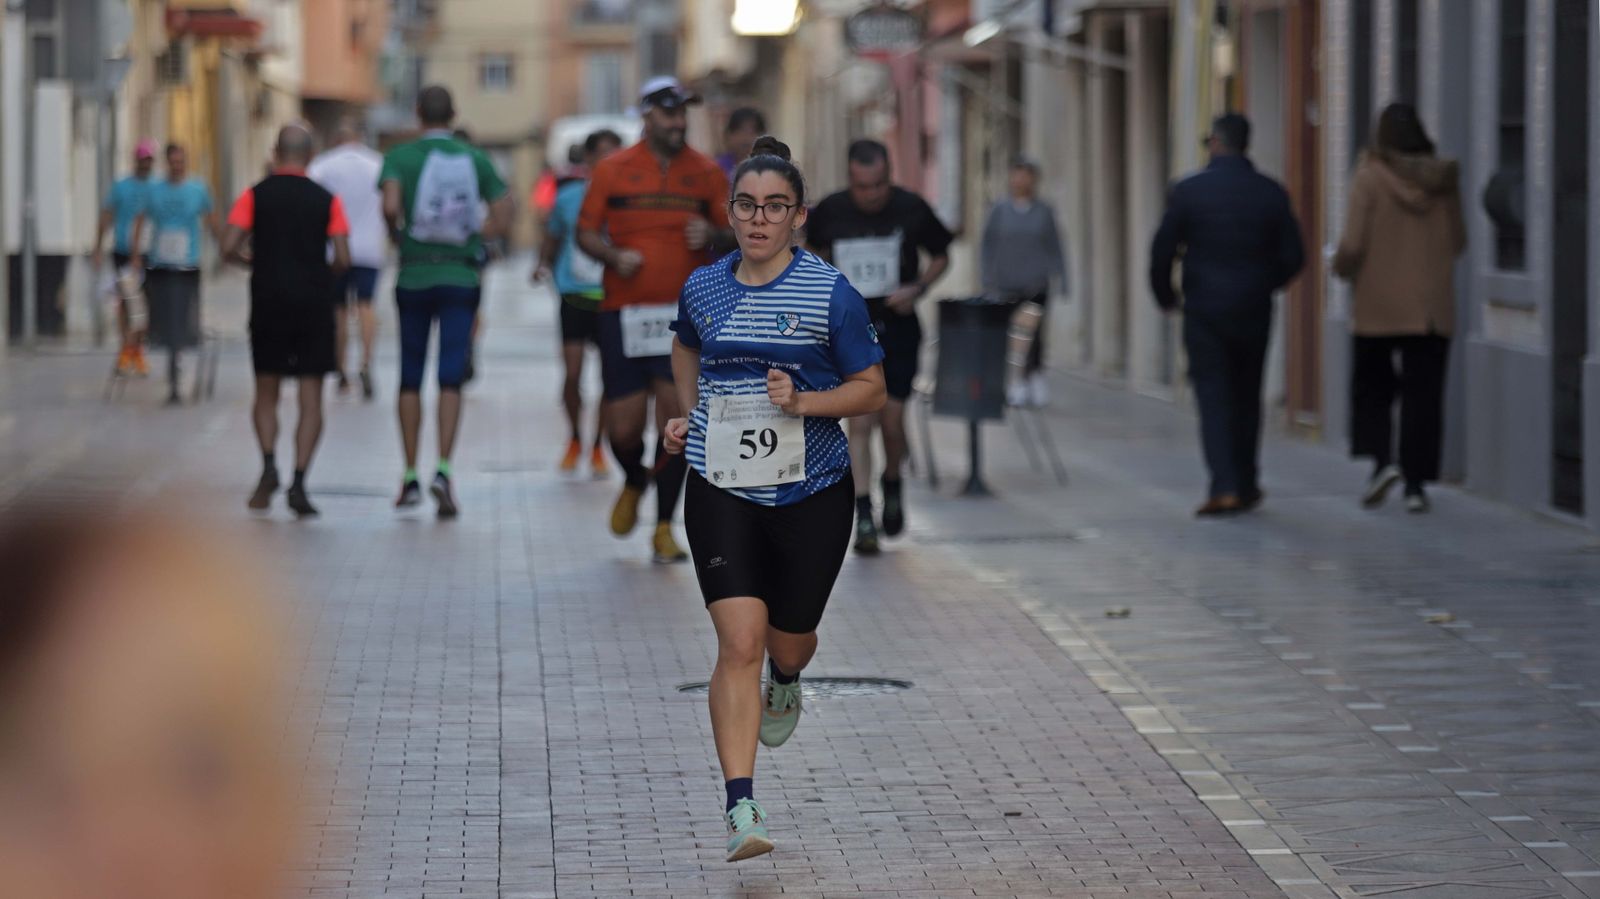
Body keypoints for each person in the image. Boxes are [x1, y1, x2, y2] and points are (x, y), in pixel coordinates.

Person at [662, 135, 886, 862]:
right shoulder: (704, 288)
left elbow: (872, 390)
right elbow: (685, 345)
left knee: (787, 642)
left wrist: (805, 401)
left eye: (775, 207)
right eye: (747, 206)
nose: (759, 220)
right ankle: (742, 805)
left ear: (798, 216)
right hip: (720, 485)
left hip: (812, 490)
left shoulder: (829, 293)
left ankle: (786, 679)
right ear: (730, 211)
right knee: (739, 643)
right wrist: (692, 414)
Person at [577, 76, 732, 563]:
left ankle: (664, 526)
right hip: (623, 313)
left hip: (682, 318)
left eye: (682, 112)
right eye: (668, 112)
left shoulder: (706, 172)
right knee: (622, 429)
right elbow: (585, 233)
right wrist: (612, 255)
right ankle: (633, 478)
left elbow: (737, 231)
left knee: (676, 424)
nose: (677, 122)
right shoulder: (613, 169)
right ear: (646, 115)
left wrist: (712, 233)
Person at [1149, 113, 1306, 517]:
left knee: (1214, 394)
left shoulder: (1188, 191)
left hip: (1205, 309)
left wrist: (1166, 296)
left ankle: (1225, 485)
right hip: (1253, 306)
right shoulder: (1270, 192)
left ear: (1216, 143)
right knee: (1247, 394)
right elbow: (1294, 255)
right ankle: (1246, 481)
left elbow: (1162, 250)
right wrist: (1266, 282)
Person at [804, 139, 952, 554]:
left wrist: (917, 288)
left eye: (879, 185)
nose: (871, 195)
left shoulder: (911, 207)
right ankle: (864, 512)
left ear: (889, 177)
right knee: (860, 423)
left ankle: (893, 481)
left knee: (891, 422)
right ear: (850, 179)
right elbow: (809, 254)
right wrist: (829, 290)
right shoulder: (831, 210)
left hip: (899, 328)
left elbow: (942, 254)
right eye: (862, 186)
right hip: (850, 331)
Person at [380, 85, 514, 518]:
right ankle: (443, 469)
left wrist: (399, 235)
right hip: (460, 275)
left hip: (414, 275)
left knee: (410, 375)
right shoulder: (475, 159)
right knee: (450, 376)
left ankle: (408, 475)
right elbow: (503, 213)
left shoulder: (399, 157)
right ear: (454, 114)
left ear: (417, 112)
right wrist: (475, 235)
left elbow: (390, 206)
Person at [1332, 103, 1465, 514]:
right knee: (1423, 394)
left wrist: (1341, 266)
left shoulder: (1369, 176)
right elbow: (1458, 240)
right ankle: (1415, 486)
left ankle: (1381, 461)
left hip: (1378, 304)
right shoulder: (1443, 180)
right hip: (1430, 308)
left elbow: (1353, 243)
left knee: (1373, 387)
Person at [222, 124, 352, 518]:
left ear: (275, 153)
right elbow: (343, 257)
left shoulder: (254, 195)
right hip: (313, 305)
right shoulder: (328, 200)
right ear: (310, 156)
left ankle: (268, 465)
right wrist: (320, 272)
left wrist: (253, 261)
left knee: (266, 392)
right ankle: (299, 481)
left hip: (269, 302)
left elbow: (228, 246)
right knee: (311, 398)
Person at [537, 128, 622, 477]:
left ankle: (599, 445)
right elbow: (553, 235)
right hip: (574, 295)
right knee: (572, 375)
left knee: (610, 378)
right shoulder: (568, 196)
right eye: (603, 154)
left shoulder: (626, 198)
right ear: (588, 159)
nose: (609, 161)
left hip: (612, 297)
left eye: (615, 154)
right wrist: (542, 263)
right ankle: (574, 437)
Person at [130, 143, 222, 406]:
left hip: (188, 265)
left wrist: (223, 248)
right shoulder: (154, 191)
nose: (177, 167)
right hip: (161, 265)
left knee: (184, 317)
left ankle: (179, 355)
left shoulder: (198, 189)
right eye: (173, 162)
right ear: (167, 163)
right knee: (162, 318)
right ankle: (169, 354)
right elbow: (140, 220)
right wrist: (136, 254)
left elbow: (212, 220)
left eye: (181, 162)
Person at [309, 117, 387, 401]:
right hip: (369, 248)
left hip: (335, 249)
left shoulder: (323, 165)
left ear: (336, 139)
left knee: (339, 309)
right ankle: (366, 363)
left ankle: (341, 367)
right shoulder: (377, 163)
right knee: (366, 305)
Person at [981, 156, 1068, 407]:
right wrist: (987, 279)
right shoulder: (999, 210)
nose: (1021, 180)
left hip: (1036, 284)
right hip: (1006, 284)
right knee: (1011, 336)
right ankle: (1015, 382)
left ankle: (1035, 377)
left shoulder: (1044, 211)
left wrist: (1063, 278)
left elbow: (1055, 245)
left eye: (1026, 175)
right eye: (1017, 174)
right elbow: (987, 246)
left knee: (1035, 334)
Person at [91, 140, 157, 377]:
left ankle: (136, 348)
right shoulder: (121, 187)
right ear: (136, 160)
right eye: (143, 159)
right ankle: (127, 348)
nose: (146, 163)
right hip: (123, 252)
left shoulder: (157, 187)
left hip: (149, 253)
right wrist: (98, 247)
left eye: (149, 159)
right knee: (127, 303)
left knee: (143, 305)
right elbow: (106, 216)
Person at [716, 107, 766, 180]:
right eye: (740, 131)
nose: (746, 138)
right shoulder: (718, 168)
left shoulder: (772, 168)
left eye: (752, 132)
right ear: (728, 135)